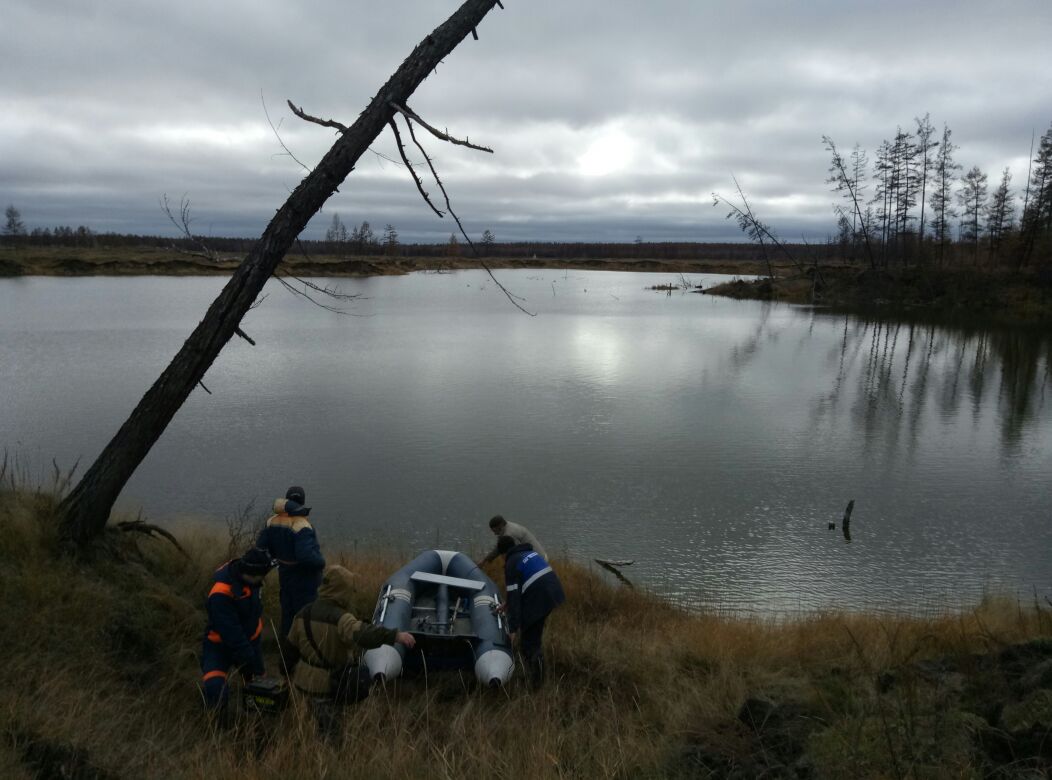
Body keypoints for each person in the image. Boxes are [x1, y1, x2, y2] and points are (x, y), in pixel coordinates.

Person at [287, 565, 415, 704]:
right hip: (327, 688)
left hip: (302, 685)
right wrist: (395, 636)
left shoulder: (302, 613)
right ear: (342, 590)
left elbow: (289, 651)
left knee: (307, 720)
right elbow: (364, 635)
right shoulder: (342, 619)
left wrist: (285, 675)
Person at [199, 548, 273, 711]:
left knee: (261, 689)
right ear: (253, 574)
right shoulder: (221, 593)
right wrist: (248, 660)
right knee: (215, 688)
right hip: (219, 646)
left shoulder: (252, 579)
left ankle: (255, 723)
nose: (263, 580)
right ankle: (218, 725)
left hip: (252, 641)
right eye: (262, 576)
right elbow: (231, 633)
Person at [255, 486, 325, 640]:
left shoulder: (271, 522)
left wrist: (277, 560)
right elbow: (306, 557)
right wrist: (321, 562)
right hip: (305, 580)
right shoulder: (301, 525)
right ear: (303, 501)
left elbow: (260, 549)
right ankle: (304, 652)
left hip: (285, 576)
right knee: (306, 618)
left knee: (288, 614)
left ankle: (286, 652)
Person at [498, 534, 564, 687]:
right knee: (534, 632)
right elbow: (521, 586)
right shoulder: (528, 553)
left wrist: (512, 628)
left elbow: (515, 597)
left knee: (529, 641)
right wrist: (507, 604)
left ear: (503, 554)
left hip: (540, 597)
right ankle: (536, 672)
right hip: (554, 592)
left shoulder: (511, 563)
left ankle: (536, 683)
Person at [477, 514, 546, 566]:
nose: (495, 534)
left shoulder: (509, 534)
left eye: (495, 531)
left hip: (538, 560)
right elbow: (499, 547)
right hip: (536, 557)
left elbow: (513, 554)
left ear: (500, 526)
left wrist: (485, 561)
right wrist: (487, 560)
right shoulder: (507, 525)